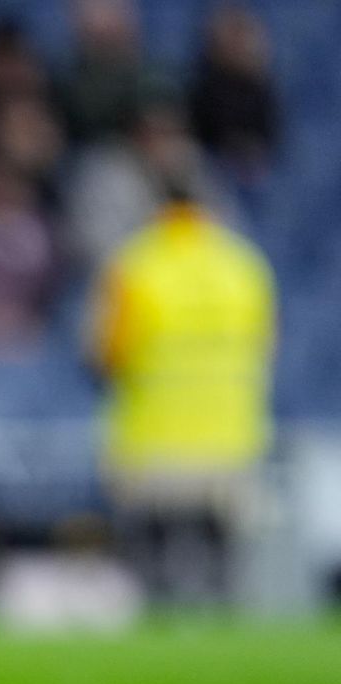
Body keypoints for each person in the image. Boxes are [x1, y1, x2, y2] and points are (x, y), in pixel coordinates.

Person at [88, 180, 276, 604]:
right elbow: (266, 347)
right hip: (230, 435)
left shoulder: (136, 264)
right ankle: (226, 633)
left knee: (152, 560)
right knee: (221, 561)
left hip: (154, 435)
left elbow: (107, 353)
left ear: (158, 207)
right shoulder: (244, 265)